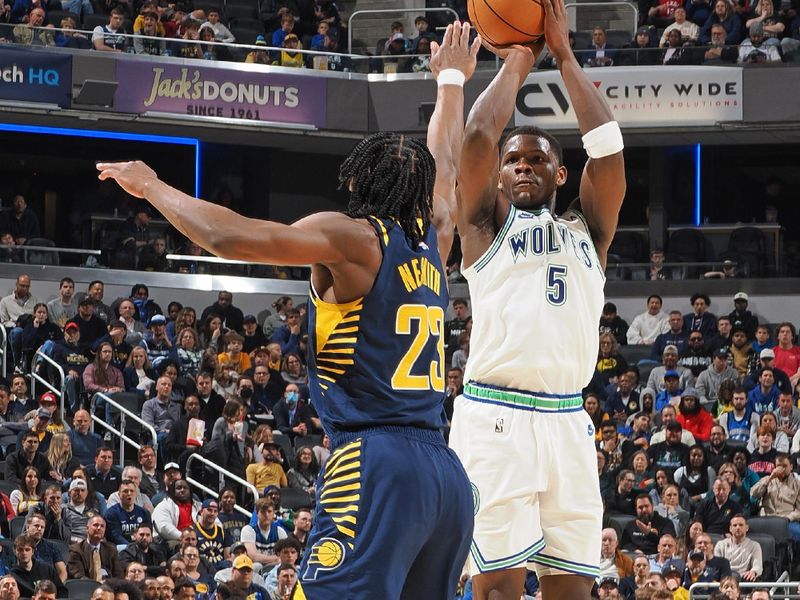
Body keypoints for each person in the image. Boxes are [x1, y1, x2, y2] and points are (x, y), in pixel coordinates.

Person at [99, 22, 478, 600]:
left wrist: (151, 185)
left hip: (376, 462)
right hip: (444, 474)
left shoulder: (352, 238)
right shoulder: (438, 237)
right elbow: (446, 160)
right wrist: (450, 81)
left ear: (356, 183)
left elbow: (233, 238)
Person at [449, 0, 627, 596]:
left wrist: (567, 56)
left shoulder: (589, 232)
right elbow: (476, 136)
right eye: (513, 161)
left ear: (560, 176)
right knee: (497, 588)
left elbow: (608, 151)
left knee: (574, 590)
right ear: (500, 177)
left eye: (537, 160)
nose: (522, 166)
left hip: (569, 421)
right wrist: (521, 59)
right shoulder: (485, 227)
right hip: (496, 417)